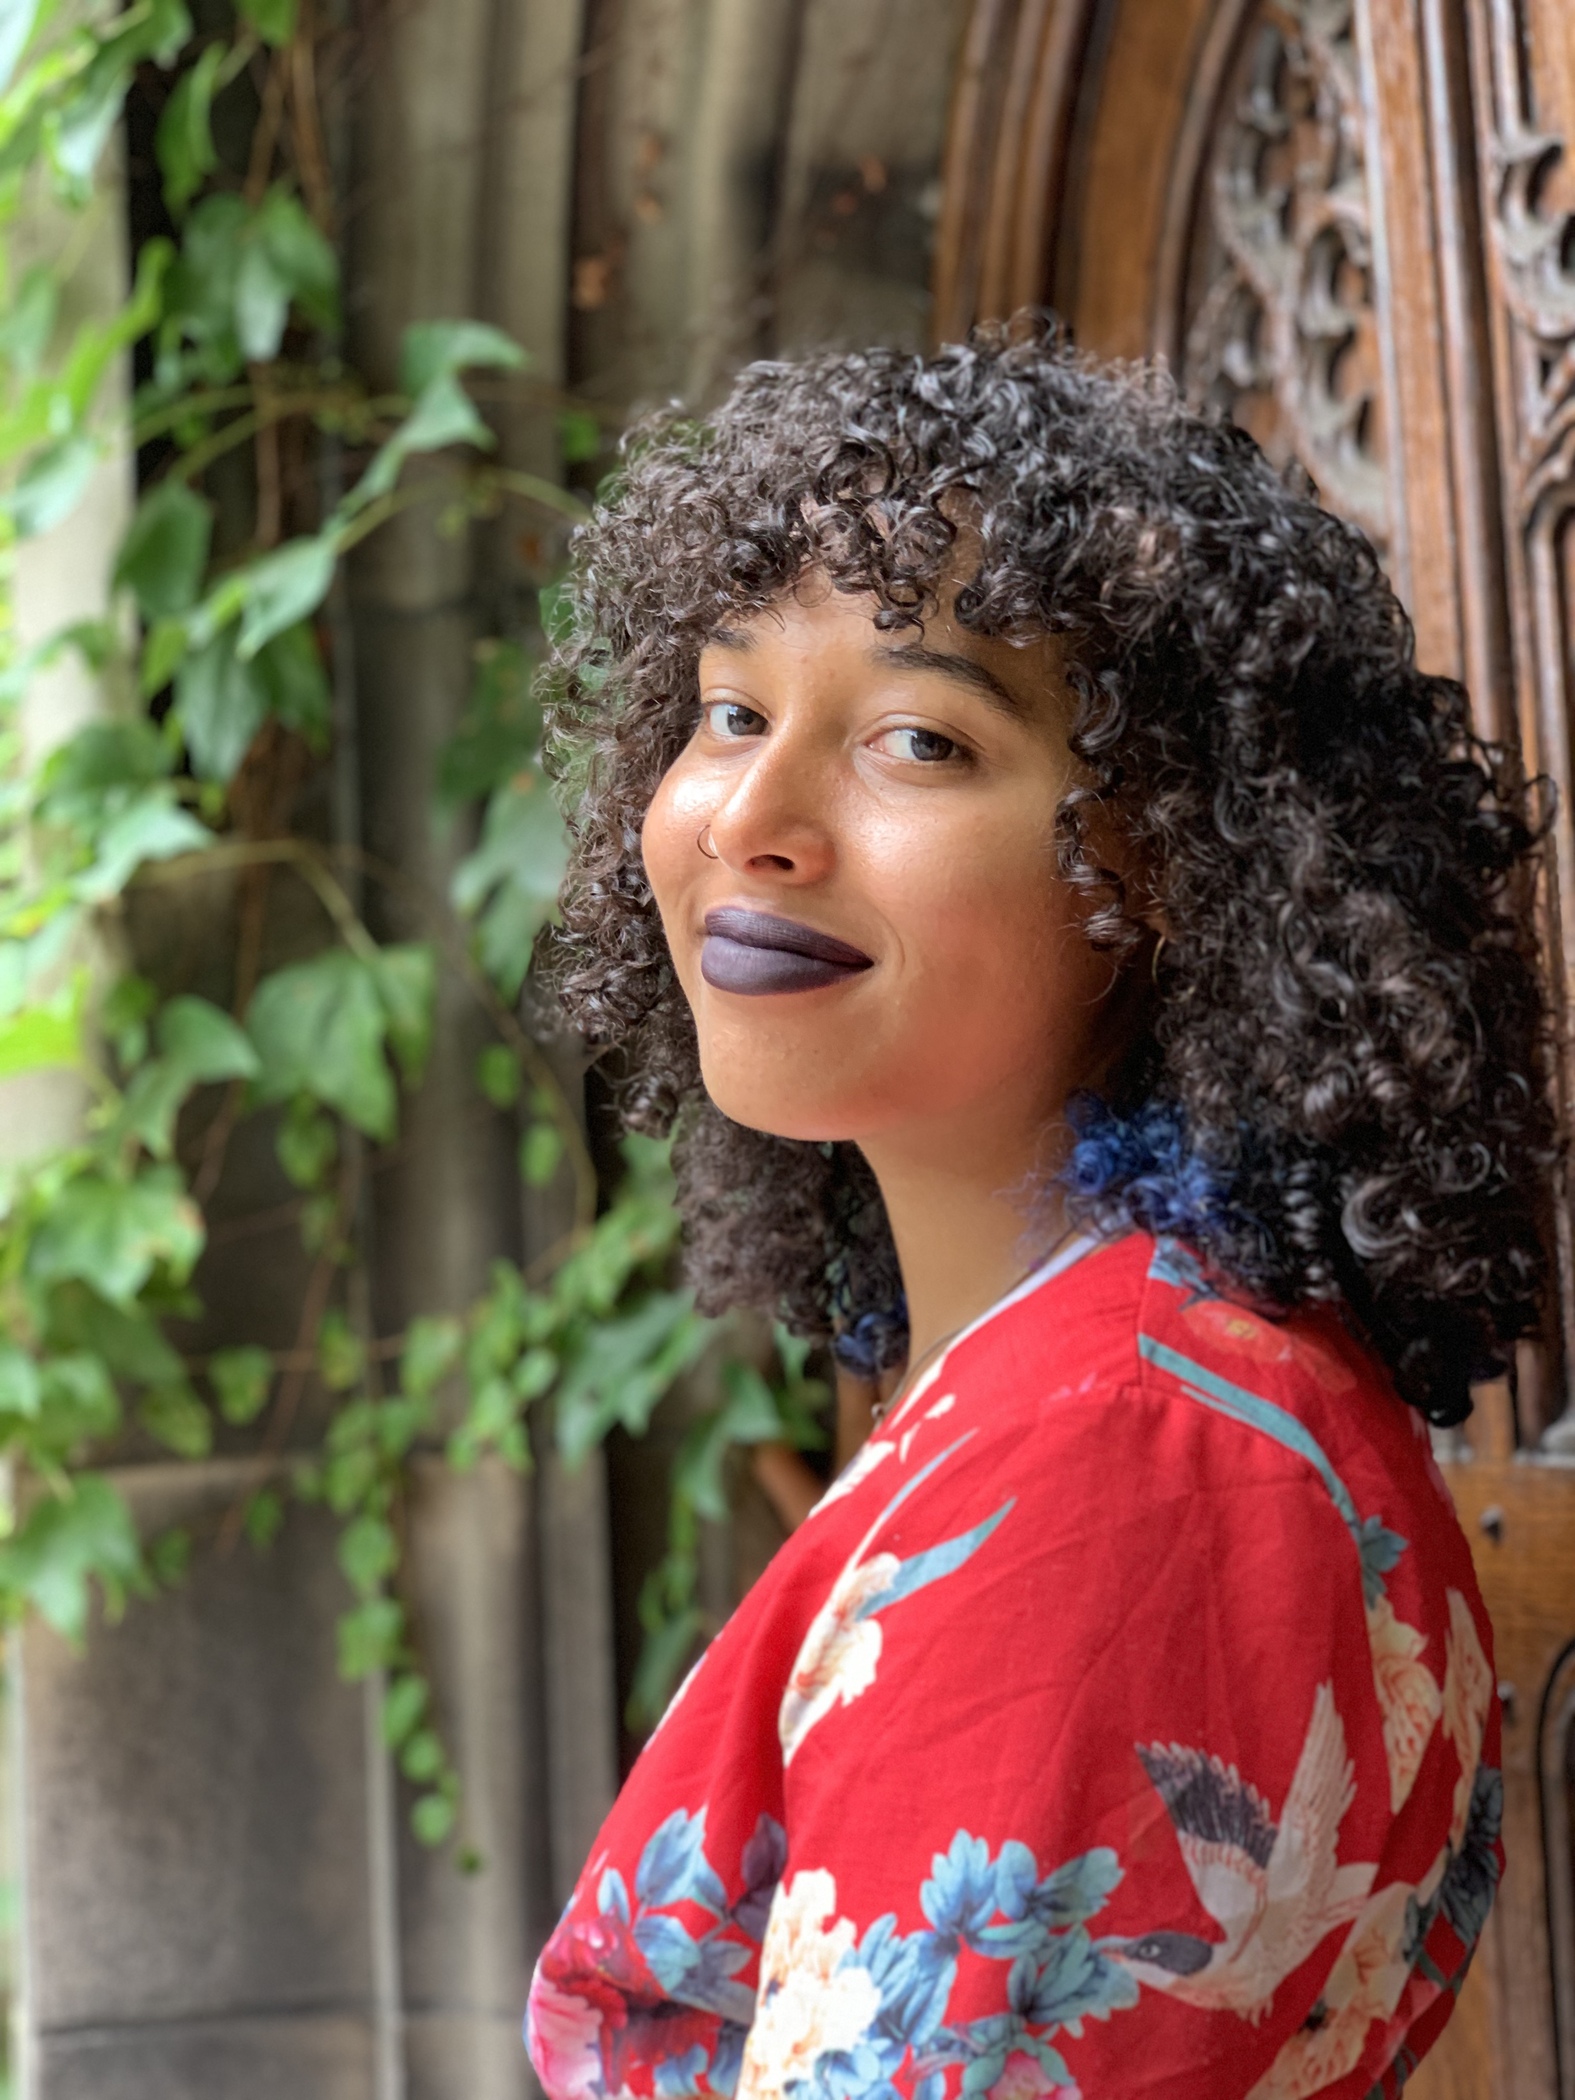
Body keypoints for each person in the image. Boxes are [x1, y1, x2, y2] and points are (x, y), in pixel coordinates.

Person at [524, 324, 1550, 2100]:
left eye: (919, 739)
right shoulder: (1104, 1385)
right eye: (731, 710)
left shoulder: (1124, 1454)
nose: (753, 816)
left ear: (1173, 869)